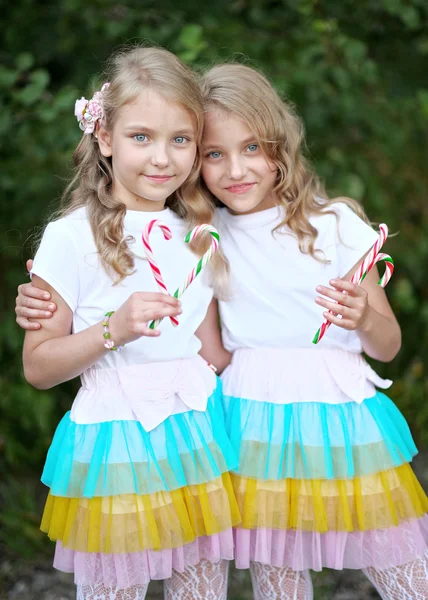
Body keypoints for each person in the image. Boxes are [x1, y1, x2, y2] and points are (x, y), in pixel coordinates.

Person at [16, 62, 428, 599]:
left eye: (252, 147)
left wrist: (361, 319)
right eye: (213, 153)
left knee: (399, 566)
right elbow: (196, 349)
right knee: (261, 577)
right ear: (106, 136)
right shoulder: (192, 236)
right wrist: (96, 324)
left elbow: (382, 344)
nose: (234, 168)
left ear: (280, 146)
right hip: (198, 427)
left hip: (294, 423)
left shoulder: (272, 231)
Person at [17, 47, 240, 600]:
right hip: (116, 440)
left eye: (180, 140)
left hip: (196, 432)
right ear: (105, 138)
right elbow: (39, 368)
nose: (162, 158)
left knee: (203, 588)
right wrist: (111, 330)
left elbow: (212, 354)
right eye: (141, 137)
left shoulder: (200, 233)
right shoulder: (71, 237)